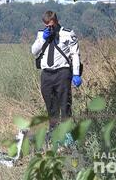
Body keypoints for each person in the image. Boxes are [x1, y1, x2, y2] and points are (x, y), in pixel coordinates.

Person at [31, 11, 82, 141]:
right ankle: (54, 132)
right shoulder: (41, 34)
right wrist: (43, 38)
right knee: (51, 106)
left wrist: (76, 74)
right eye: (47, 25)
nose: (50, 28)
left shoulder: (68, 34)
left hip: (62, 73)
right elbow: (34, 51)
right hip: (47, 74)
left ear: (56, 21)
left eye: (52, 25)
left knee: (65, 104)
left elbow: (75, 55)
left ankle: (68, 135)